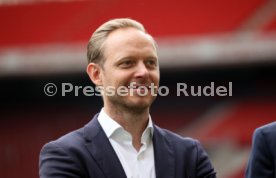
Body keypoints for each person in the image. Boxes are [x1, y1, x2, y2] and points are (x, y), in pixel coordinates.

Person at [39, 18, 216, 178]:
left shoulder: (190, 155)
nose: (143, 72)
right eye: (127, 63)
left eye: (150, 63)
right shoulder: (64, 155)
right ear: (96, 74)